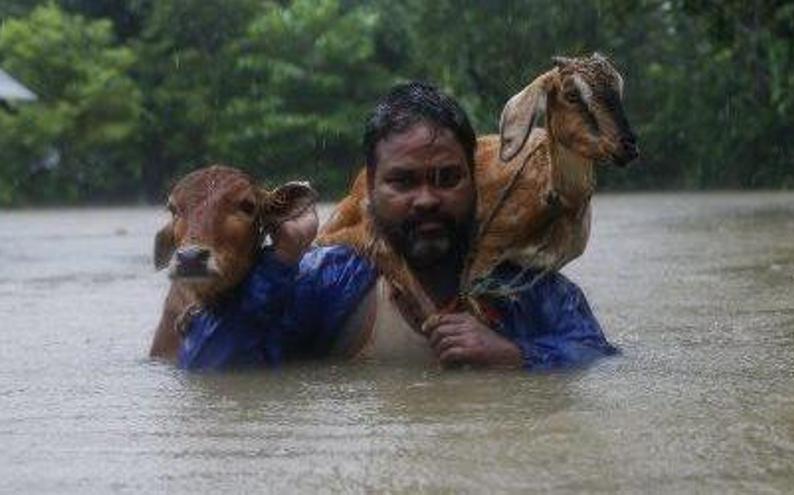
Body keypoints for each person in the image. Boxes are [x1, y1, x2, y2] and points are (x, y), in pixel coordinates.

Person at [179, 82, 616, 370]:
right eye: (403, 181)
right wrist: (280, 261)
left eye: (447, 178)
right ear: (370, 188)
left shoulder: (532, 289)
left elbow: (602, 362)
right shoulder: (329, 279)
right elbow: (210, 369)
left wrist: (515, 355)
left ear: (474, 183)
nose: (427, 199)